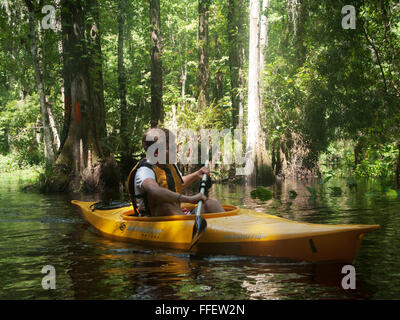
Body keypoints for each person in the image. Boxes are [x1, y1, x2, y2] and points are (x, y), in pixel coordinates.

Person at [127, 128, 225, 217]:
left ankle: (229, 231)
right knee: (165, 205)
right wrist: (189, 199)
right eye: (171, 148)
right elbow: (154, 191)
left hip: (177, 214)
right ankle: (190, 227)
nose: (176, 150)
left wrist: (196, 174)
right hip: (154, 218)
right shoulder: (145, 170)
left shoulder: (169, 165)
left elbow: (178, 183)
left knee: (211, 203)